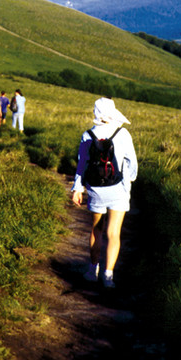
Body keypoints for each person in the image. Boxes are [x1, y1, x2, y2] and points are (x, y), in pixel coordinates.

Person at [71, 97, 138, 289]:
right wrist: (129, 181)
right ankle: (108, 276)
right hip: (119, 189)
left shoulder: (87, 134)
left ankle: (93, 271)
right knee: (113, 233)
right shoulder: (123, 133)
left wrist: (77, 188)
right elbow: (132, 163)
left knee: (96, 229)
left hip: (95, 190)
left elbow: (81, 164)